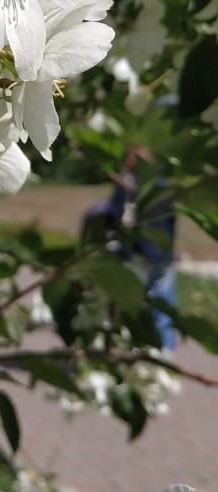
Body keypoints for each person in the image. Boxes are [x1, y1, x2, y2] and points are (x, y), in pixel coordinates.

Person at [81, 146, 177, 351]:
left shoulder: (127, 185)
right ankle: (160, 353)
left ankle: (145, 351)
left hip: (139, 255)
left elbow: (114, 216)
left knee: (135, 306)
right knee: (160, 306)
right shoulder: (162, 185)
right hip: (160, 255)